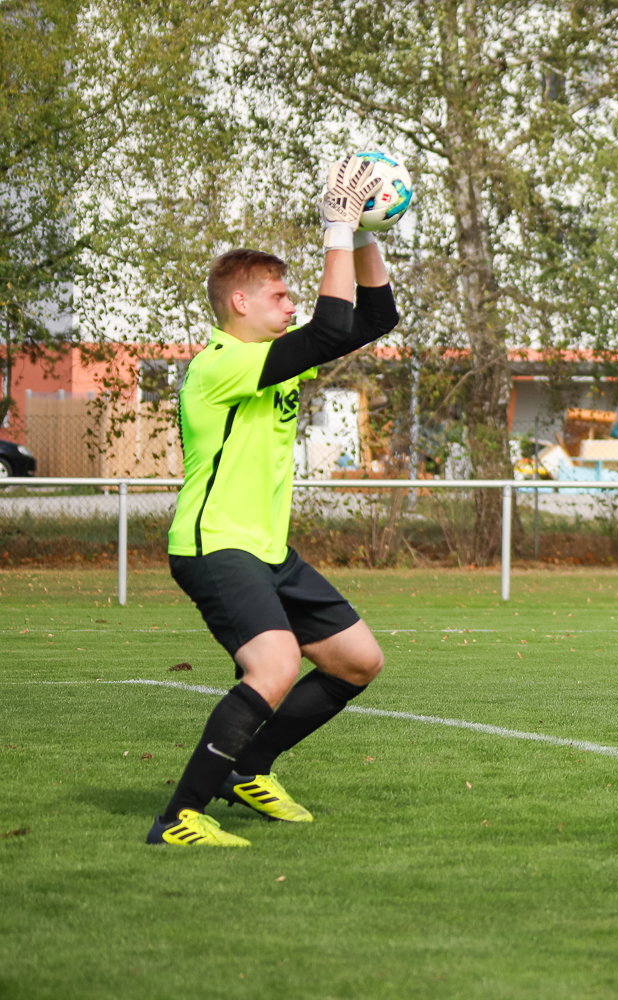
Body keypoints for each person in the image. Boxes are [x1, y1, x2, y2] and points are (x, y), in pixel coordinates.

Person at [147, 157, 401, 847]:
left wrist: (366, 228)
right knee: (276, 666)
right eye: (280, 297)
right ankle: (177, 820)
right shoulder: (221, 363)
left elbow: (373, 318)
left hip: (266, 551)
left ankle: (249, 767)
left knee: (358, 660)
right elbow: (328, 327)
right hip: (214, 545)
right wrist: (335, 228)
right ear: (240, 304)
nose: (291, 306)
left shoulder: (269, 358)